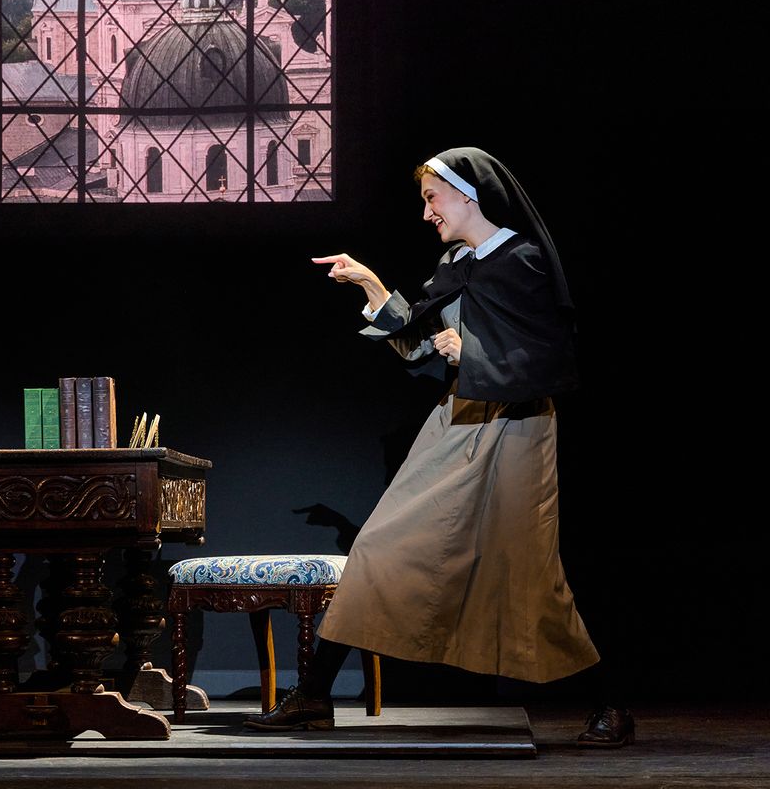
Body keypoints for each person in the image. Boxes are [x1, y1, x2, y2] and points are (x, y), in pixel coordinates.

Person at [243, 147, 634, 747]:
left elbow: (552, 360)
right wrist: (371, 284)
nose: (426, 213)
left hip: (517, 428)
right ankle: (315, 695)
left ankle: (610, 705)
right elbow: (422, 346)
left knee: (525, 572)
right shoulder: (456, 263)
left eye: (432, 198)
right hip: (455, 424)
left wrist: (470, 353)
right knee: (378, 547)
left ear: (468, 194)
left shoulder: (523, 261)